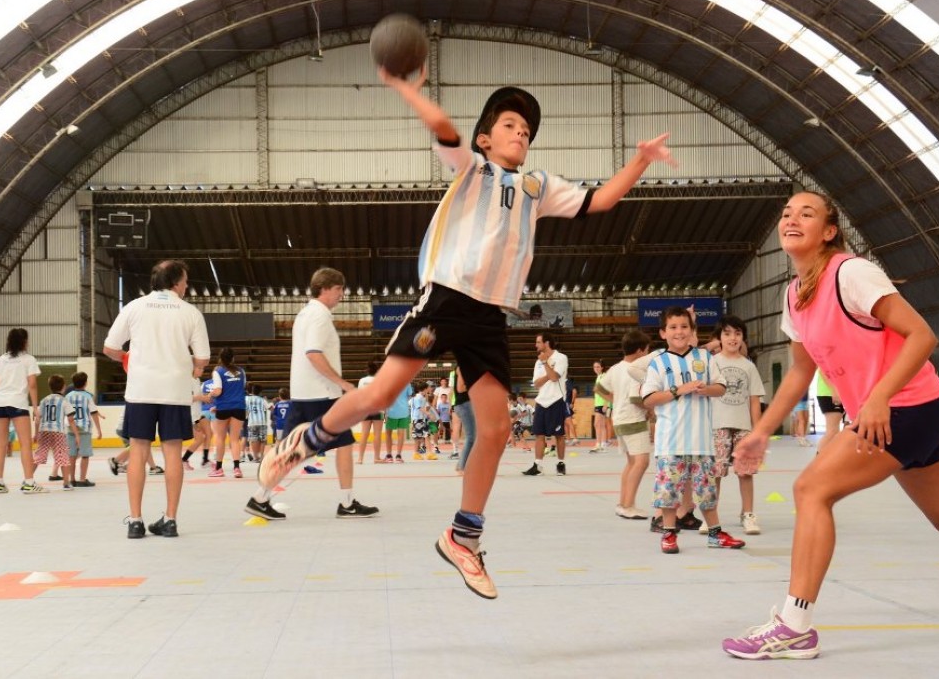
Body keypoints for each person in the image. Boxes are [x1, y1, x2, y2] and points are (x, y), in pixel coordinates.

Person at [257, 69, 677, 599]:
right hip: (447, 297)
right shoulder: (472, 167)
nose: (520, 133)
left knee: (497, 431)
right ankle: (305, 441)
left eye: (526, 129)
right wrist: (409, 89)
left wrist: (639, 159)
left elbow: (600, 201)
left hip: (490, 316)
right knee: (383, 394)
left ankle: (463, 536)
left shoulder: (538, 186)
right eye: (509, 124)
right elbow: (443, 128)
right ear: (486, 137)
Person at [722, 190, 939, 659]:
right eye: (787, 213)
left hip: (905, 408)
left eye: (807, 213)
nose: (792, 218)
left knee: (812, 490)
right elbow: (803, 372)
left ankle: (795, 624)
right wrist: (763, 429)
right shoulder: (793, 294)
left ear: (829, 231)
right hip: (910, 411)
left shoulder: (852, 273)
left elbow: (922, 335)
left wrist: (879, 398)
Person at [245, 267, 378, 520]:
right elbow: (314, 353)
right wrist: (344, 384)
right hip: (321, 394)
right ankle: (346, 503)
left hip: (305, 392)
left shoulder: (305, 314)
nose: (342, 294)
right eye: (339, 289)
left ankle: (261, 498)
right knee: (315, 448)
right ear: (325, 288)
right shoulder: (319, 317)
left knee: (295, 451)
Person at [103, 260, 210, 539]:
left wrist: (128, 358)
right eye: (185, 281)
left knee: (138, 451)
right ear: (176, 282)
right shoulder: (190, 313)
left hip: (141, 389)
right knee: (172, 452)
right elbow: (202, 358)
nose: (186, 286)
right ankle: (170, 519)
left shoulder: (134, 307)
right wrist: (195, 369)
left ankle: (136, 520)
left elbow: (110, 348)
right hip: (175, 391)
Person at [641, 306, 742, 554]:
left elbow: (721, 387)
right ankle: (668, 533)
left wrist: (704, 389)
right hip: (670, 441)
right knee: (669, 491)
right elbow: (648, 399)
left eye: (684, 326)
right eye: (673, 327)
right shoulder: (658, 363)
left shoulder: (705, 359)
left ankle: (715, 533)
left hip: (701, 441)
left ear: (692, 330)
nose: (679, 331)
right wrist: (679, 390)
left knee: (707, 491)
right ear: (663, 332)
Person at [709, 315, 766, 534]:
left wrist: (757, 431)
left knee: (745, 472)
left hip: (743, 427)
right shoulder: (711, 364)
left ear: (743, 338)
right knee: (715, 473)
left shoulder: (749, 366)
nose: (733, 338)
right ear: (719, 338)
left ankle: (748, 514)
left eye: (737, 333)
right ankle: (711, 516)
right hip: (717, 425)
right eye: (727, 333)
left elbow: (754, 400)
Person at [595, 330, 652, 519]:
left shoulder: (615, 368)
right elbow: (637, 399)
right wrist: (652, 410)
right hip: (634, 419)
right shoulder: (637, 369)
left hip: (619, 418)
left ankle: (623, 503)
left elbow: (599, 388)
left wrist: (616, 400)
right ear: (640, 351)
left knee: (631, 463)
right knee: (642, 462)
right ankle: (628, 505)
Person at [0, 328, 42, 494]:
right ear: (24, 342)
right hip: (17, 402)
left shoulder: (0, 360)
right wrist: (35, 407)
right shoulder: (28, 359)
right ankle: (29, 482)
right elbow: (32, 384)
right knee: (25, 444)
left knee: (0, 444)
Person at [524, 332, 570, 476]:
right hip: (541, 401)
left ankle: (561, 464)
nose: (535, 345)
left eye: (538, 342)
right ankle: (537, 466)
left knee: (559, 435)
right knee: (539, 434)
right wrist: (546, 372)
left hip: (556, 400)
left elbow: (555, 377)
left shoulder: (561, 358)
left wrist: (545, 364)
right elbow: (536, 383)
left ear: (547, 343)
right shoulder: (538, 362)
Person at [32, 374, 80, 489]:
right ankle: (66, 483)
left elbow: (37, 418)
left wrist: (36, 433)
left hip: (44, 431)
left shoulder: (44, 400)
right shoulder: (64, 401)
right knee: (63, 456)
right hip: (58, 431)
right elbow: (71, 419)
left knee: (39, 455)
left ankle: (28, 479)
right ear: (63, 387)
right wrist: (77, 435)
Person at [208, 348, 247, 479]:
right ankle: (237, 468)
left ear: (220, 358)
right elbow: (242, 388)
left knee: (220, 438)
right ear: (233, 358)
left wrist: (211, 394)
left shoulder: (218, 371)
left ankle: (218, 468)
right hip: (239, 407)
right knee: (235, 439)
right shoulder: (241, 371)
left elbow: (218, 391)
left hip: (224, 407)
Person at [65, 371, 102, 487]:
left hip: (71, 428)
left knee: (71, 455)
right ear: (85, 383)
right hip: (84, 428)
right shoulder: (88, 396)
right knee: (85, 455)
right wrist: (99, 430)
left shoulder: (68, 396)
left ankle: (72, 479)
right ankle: (82, 479)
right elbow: (94, 413)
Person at [356, 362, 386, 464]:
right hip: (378, 408)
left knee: (364, 434)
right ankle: (376, 457)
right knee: (377, 434)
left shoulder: (362, 381)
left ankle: (360, 458)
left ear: (367, 370)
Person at [813, 371, 843, 453]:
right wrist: (834, 389)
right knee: (832, 431)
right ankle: (818, 462)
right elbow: (823, 370)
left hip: (838, 393)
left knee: (835, 432)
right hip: (829, 394)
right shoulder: (828, 358)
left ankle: (827, 460)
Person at [383, 381, 413, 463]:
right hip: (404, 411)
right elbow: (410, 396)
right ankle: (398, 455)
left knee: (388, 433)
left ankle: (389, 455)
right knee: (401, 434)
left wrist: (385, 411)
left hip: (391, 411)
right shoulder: (407, 383)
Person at [410, 381, 436, 460]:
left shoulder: (423, 397)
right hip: (417, 419)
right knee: (418, 437)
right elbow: (420, 408)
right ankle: (415, 453)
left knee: (427, 435)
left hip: (423, 419)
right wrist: (429, 414)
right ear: (425, 389)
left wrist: (428, 414)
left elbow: (426, 406)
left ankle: (429, 453)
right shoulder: (417, 398)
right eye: (428, 388)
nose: (429, 389)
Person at [590, 361, 612, 452]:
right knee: (601, 424)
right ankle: (601, 444)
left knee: (597, 423)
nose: (596, 369)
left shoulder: (604, 376)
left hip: (603, 404)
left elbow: (608, 390)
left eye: (598, 367)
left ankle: (600, 444)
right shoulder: (598, 377)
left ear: (602, 367)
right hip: (598, 403)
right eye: (594, 367)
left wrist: (606, 404)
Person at [245, 384, 269, 465]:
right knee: (263, 440)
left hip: (251, 422)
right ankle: (261, 456)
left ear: (252, 391)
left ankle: (256, 457)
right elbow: (269, 407)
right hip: (262, 422)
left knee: (253, 440)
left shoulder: (247, 399)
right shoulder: (262, 400)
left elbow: (245, 409)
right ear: (260, 392)